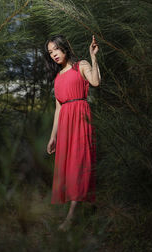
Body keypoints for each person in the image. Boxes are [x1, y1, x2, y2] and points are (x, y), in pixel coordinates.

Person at [45, 34, 101, 231]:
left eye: (56, 50)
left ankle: (71, 218)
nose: (53, 55)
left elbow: (95, 82)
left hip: (80, 118)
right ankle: (85, 206)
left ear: (65, 48)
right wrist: (53, 136)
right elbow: (58, 108)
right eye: (50, 52)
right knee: (69, 166)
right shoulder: (58, 77)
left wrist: (93, 57)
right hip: (66, 122)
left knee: (79, 163)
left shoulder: (81, 65)